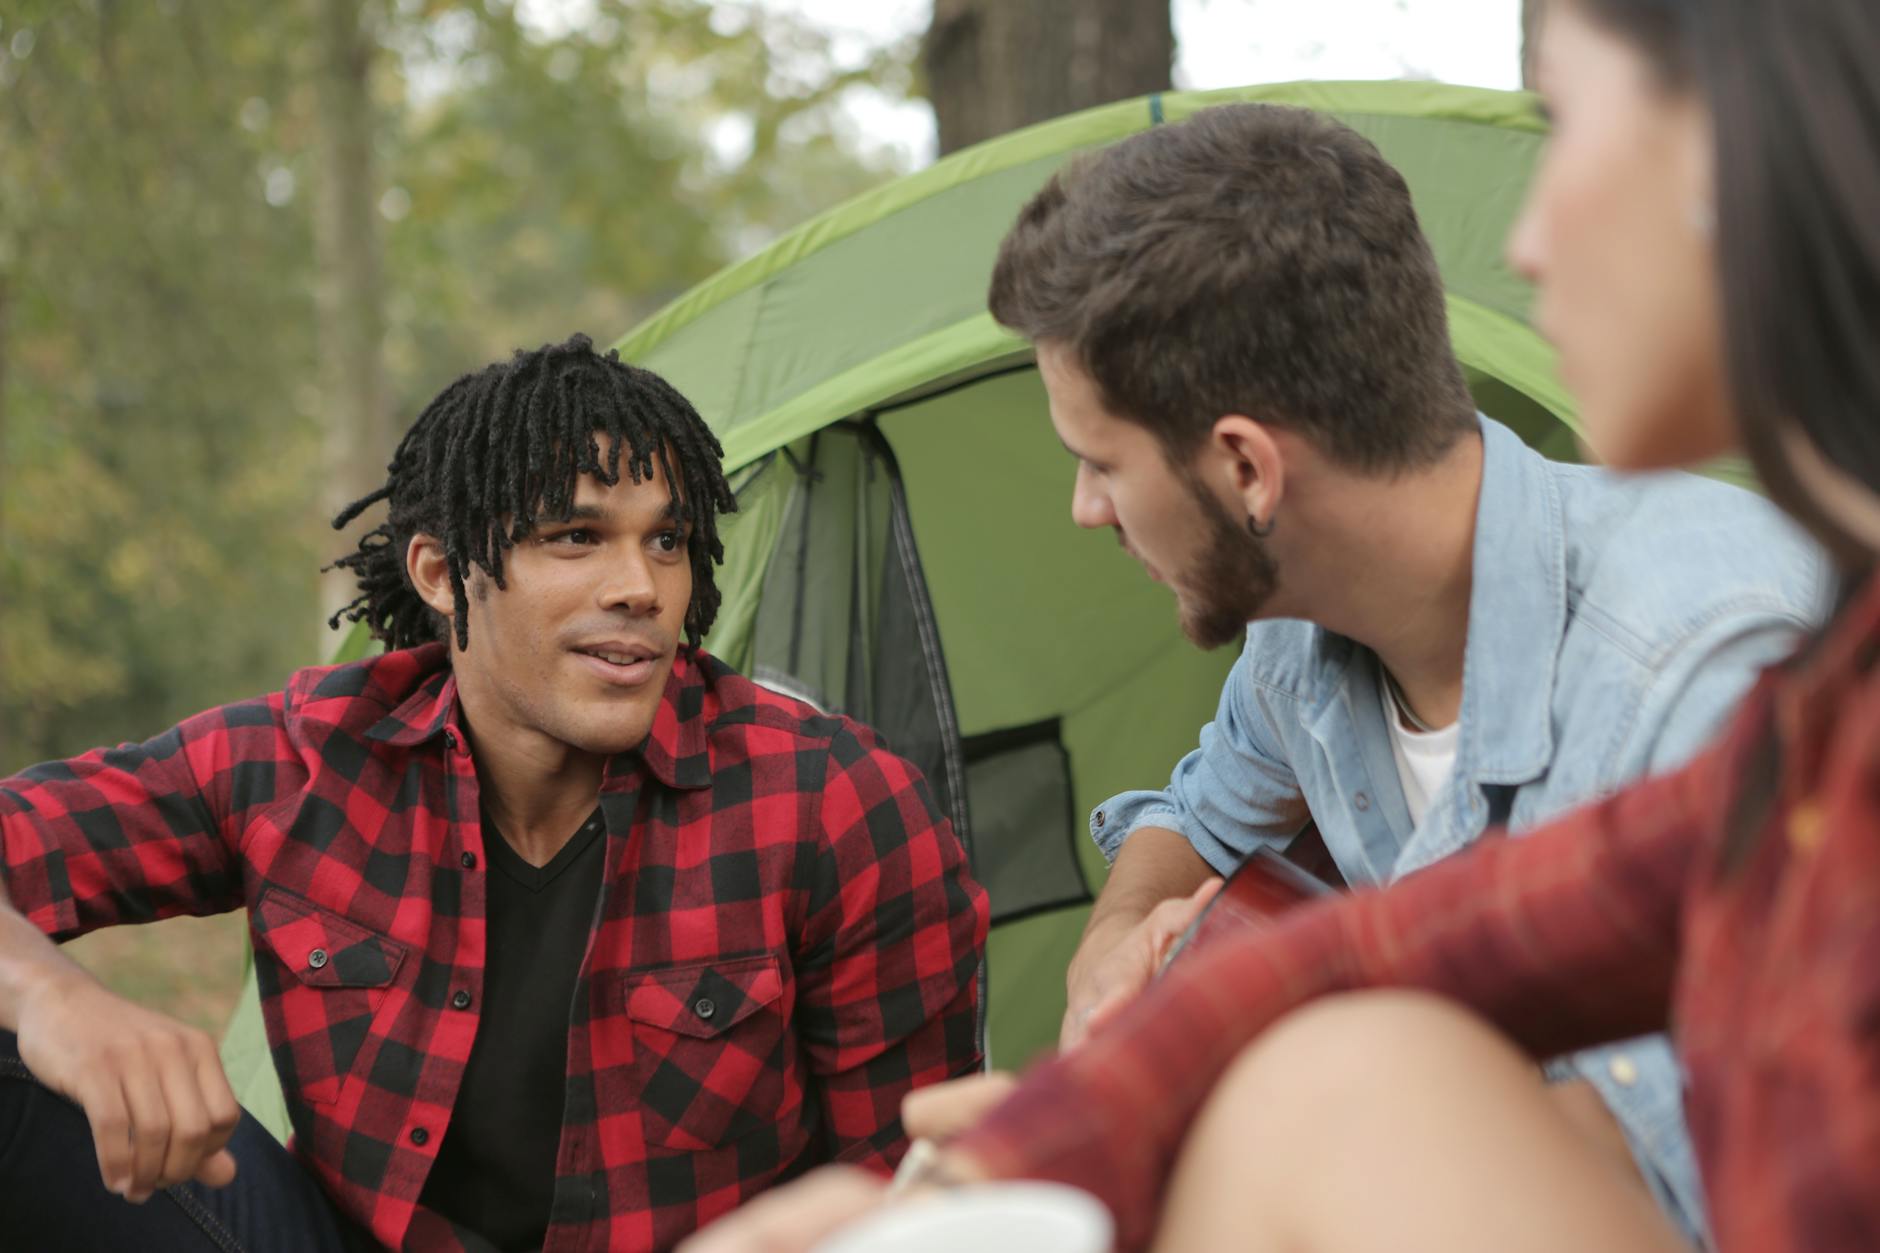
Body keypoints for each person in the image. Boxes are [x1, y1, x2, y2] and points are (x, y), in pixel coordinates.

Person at [682, 0, 1880, 1249]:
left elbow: (1699, 1183)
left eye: (1568, 127)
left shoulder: (1707, 658)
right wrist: (991, 1164)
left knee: (1325, 1086)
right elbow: (1366, 954)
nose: (1522, 243)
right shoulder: (1812, 721)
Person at [0, 333, 989, 1252]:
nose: (640, 586)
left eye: (666, 540)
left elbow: (915, 1195)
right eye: (575, 535)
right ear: (438, 571)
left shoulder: (837, 804)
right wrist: (54, 998)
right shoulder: (303, 760)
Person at [1031, 95, 1817, 1242]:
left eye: (1098, 461)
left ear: (1246, 468)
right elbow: (1193, 818)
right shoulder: (1295, 639)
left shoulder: (1704, 679)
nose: (1083, 509)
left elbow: (1715, 1195)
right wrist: (1121, 947)